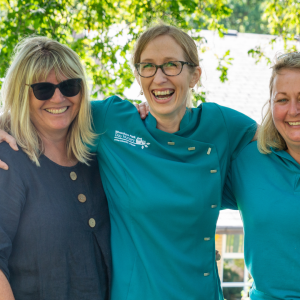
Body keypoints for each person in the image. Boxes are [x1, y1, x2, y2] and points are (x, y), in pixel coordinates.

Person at [0, 24, 257, 300]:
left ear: (195, 75)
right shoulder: (108, 121)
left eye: (171, 64)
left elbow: (277, 141)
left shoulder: (222, 125)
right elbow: (46, 115)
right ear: (138, 75)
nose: (160, 77)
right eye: (148, 66)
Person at [0, 36, 112, 300]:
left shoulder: (99, 158)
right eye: (43, 89)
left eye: (69, 86)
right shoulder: (8, 161)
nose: (58, 97)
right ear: (21, 93)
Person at [222, 53, 300, 300]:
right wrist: (147, 119)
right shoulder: (248, 161)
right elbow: (188, 192)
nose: (293, 111)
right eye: (282, 99)